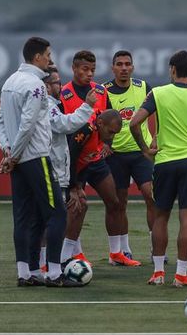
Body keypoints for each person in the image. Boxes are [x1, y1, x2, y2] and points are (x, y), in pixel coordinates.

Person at [130, 50, 187, 287]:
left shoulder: (158, 93)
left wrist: (144, 149)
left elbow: (134, 123)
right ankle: (181, 275)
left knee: (160, 217)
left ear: (172, 69)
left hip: (164, 162)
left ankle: (159, 272)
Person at [0, 36, 79, 287]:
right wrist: (16, 155)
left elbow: (0, 123)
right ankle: (54, 274)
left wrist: (8, 153)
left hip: (19, 159)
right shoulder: (36, 86)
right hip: (35, 158)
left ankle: (26, 272)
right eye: (48, 55)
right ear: (37, 57)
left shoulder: (9, 82)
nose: (51, 59)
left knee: (24, 216)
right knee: (57, 214)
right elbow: (28, 125)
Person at [59, 50, 140, 267]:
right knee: (76, 207)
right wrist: (72, 181)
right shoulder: (64, 94)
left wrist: (107, 144)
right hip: (74, 161)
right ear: (74, 68)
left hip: (96, 159)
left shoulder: (100, 91)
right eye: (85, 69)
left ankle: (116, 253)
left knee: (114, 202)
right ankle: (75, 254)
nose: (89, 73)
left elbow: (113, 120)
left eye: (92, 70)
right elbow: (65, 133)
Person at [37, 66, 95, 271]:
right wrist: (87, 107)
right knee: (51, 218)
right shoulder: (48, 105)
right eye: (56, 82)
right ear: (45, 85)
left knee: (56, 215)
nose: (60, 86)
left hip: (56, 169)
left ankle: (56, 258)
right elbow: (65, 125)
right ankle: (48, 263)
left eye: (60, 82)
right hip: (51, 169)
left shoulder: (52, 103)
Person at [103, 50, 156, 262]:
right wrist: (105, 143)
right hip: (115, 155)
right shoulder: (104, 91)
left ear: (133, 67)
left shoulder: (143, 87)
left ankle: (156, 248)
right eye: (119, 64)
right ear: (113, 68)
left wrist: (157, 137)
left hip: (141, 152)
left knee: (151, 195)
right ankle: (122, 250)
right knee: (118, 203)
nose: (124, 68)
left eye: (127, 64)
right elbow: (99, 122)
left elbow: (161, 112)